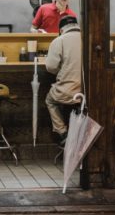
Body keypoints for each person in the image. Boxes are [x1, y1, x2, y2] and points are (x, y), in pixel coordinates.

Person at [44, 15, 82, 146]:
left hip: (67, 92)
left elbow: (51, 68)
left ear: (61, 30)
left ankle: (63, 132)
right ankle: (79, 134)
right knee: (81, 106)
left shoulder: (59, 41)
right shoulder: (88, 38)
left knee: (50, 100)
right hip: (87, 92)